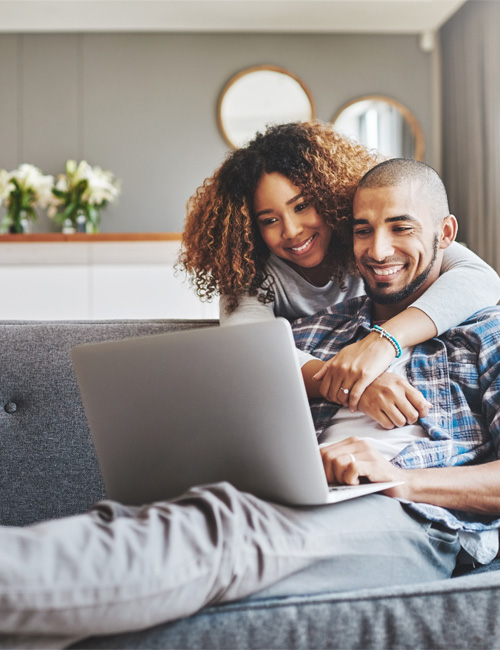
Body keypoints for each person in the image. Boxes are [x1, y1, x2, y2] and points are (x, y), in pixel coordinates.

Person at [2, 159, 500, 649]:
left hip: (414, 521)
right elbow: (241, 363)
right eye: (363, 230)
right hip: (288, 497)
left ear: (446, 232)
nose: (379, 249)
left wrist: (402, 481)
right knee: (140, 522)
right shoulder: (314, 331)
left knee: (220, 530)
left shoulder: (484, 331)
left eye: (400, 227)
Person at [180, 122, 500, 418]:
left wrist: (384, 341)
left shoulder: (368, 237)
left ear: (329, 196)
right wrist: (353, 386)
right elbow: (249, 351)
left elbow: (480, 278)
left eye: (302, 206)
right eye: (269, 220)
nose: (291, 231)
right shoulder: (247, 270)